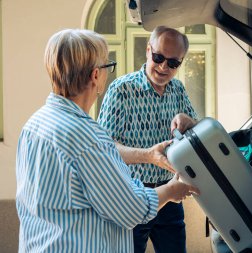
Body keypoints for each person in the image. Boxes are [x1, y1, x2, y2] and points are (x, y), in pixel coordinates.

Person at [15, 29, 199, 253]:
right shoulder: (88, 138)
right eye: (107, 65)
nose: (163, 67)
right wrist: (170, 191)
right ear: (95, 75)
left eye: (172, 63)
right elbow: (132, 209)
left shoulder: (33, 124)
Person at [97, 26, 198, 253]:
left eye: (173, 63)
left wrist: (188, 120)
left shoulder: (178, 90)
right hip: (130, 195)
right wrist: (148, 156)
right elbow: (104, 148)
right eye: (159, 57)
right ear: (148, 50)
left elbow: (197, 133)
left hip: (171, 195)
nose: (163, 67)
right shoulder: (121, 90)